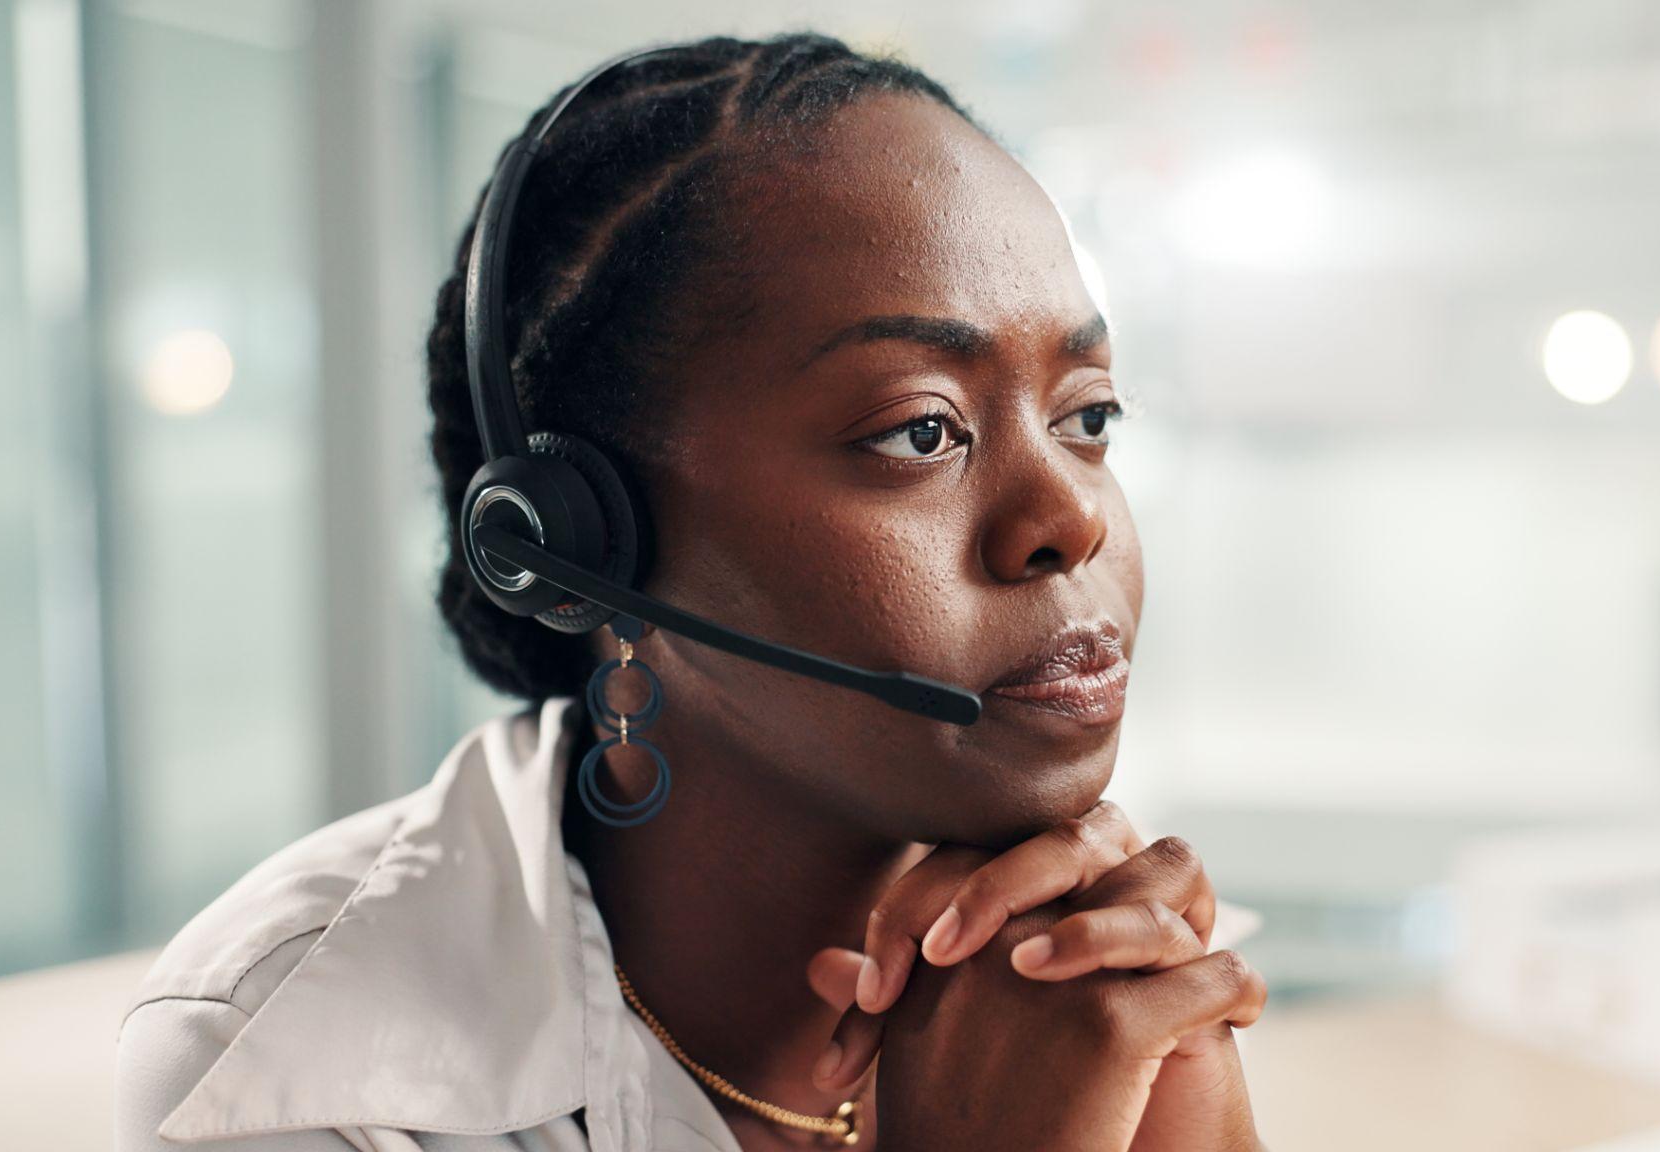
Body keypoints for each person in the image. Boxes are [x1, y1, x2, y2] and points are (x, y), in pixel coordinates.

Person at [115, 32, 1266, 1152]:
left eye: (1088, 418)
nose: (1070, 520)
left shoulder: (1112, 990)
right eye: (921, 430)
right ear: (578, 546)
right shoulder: (279, 1062)